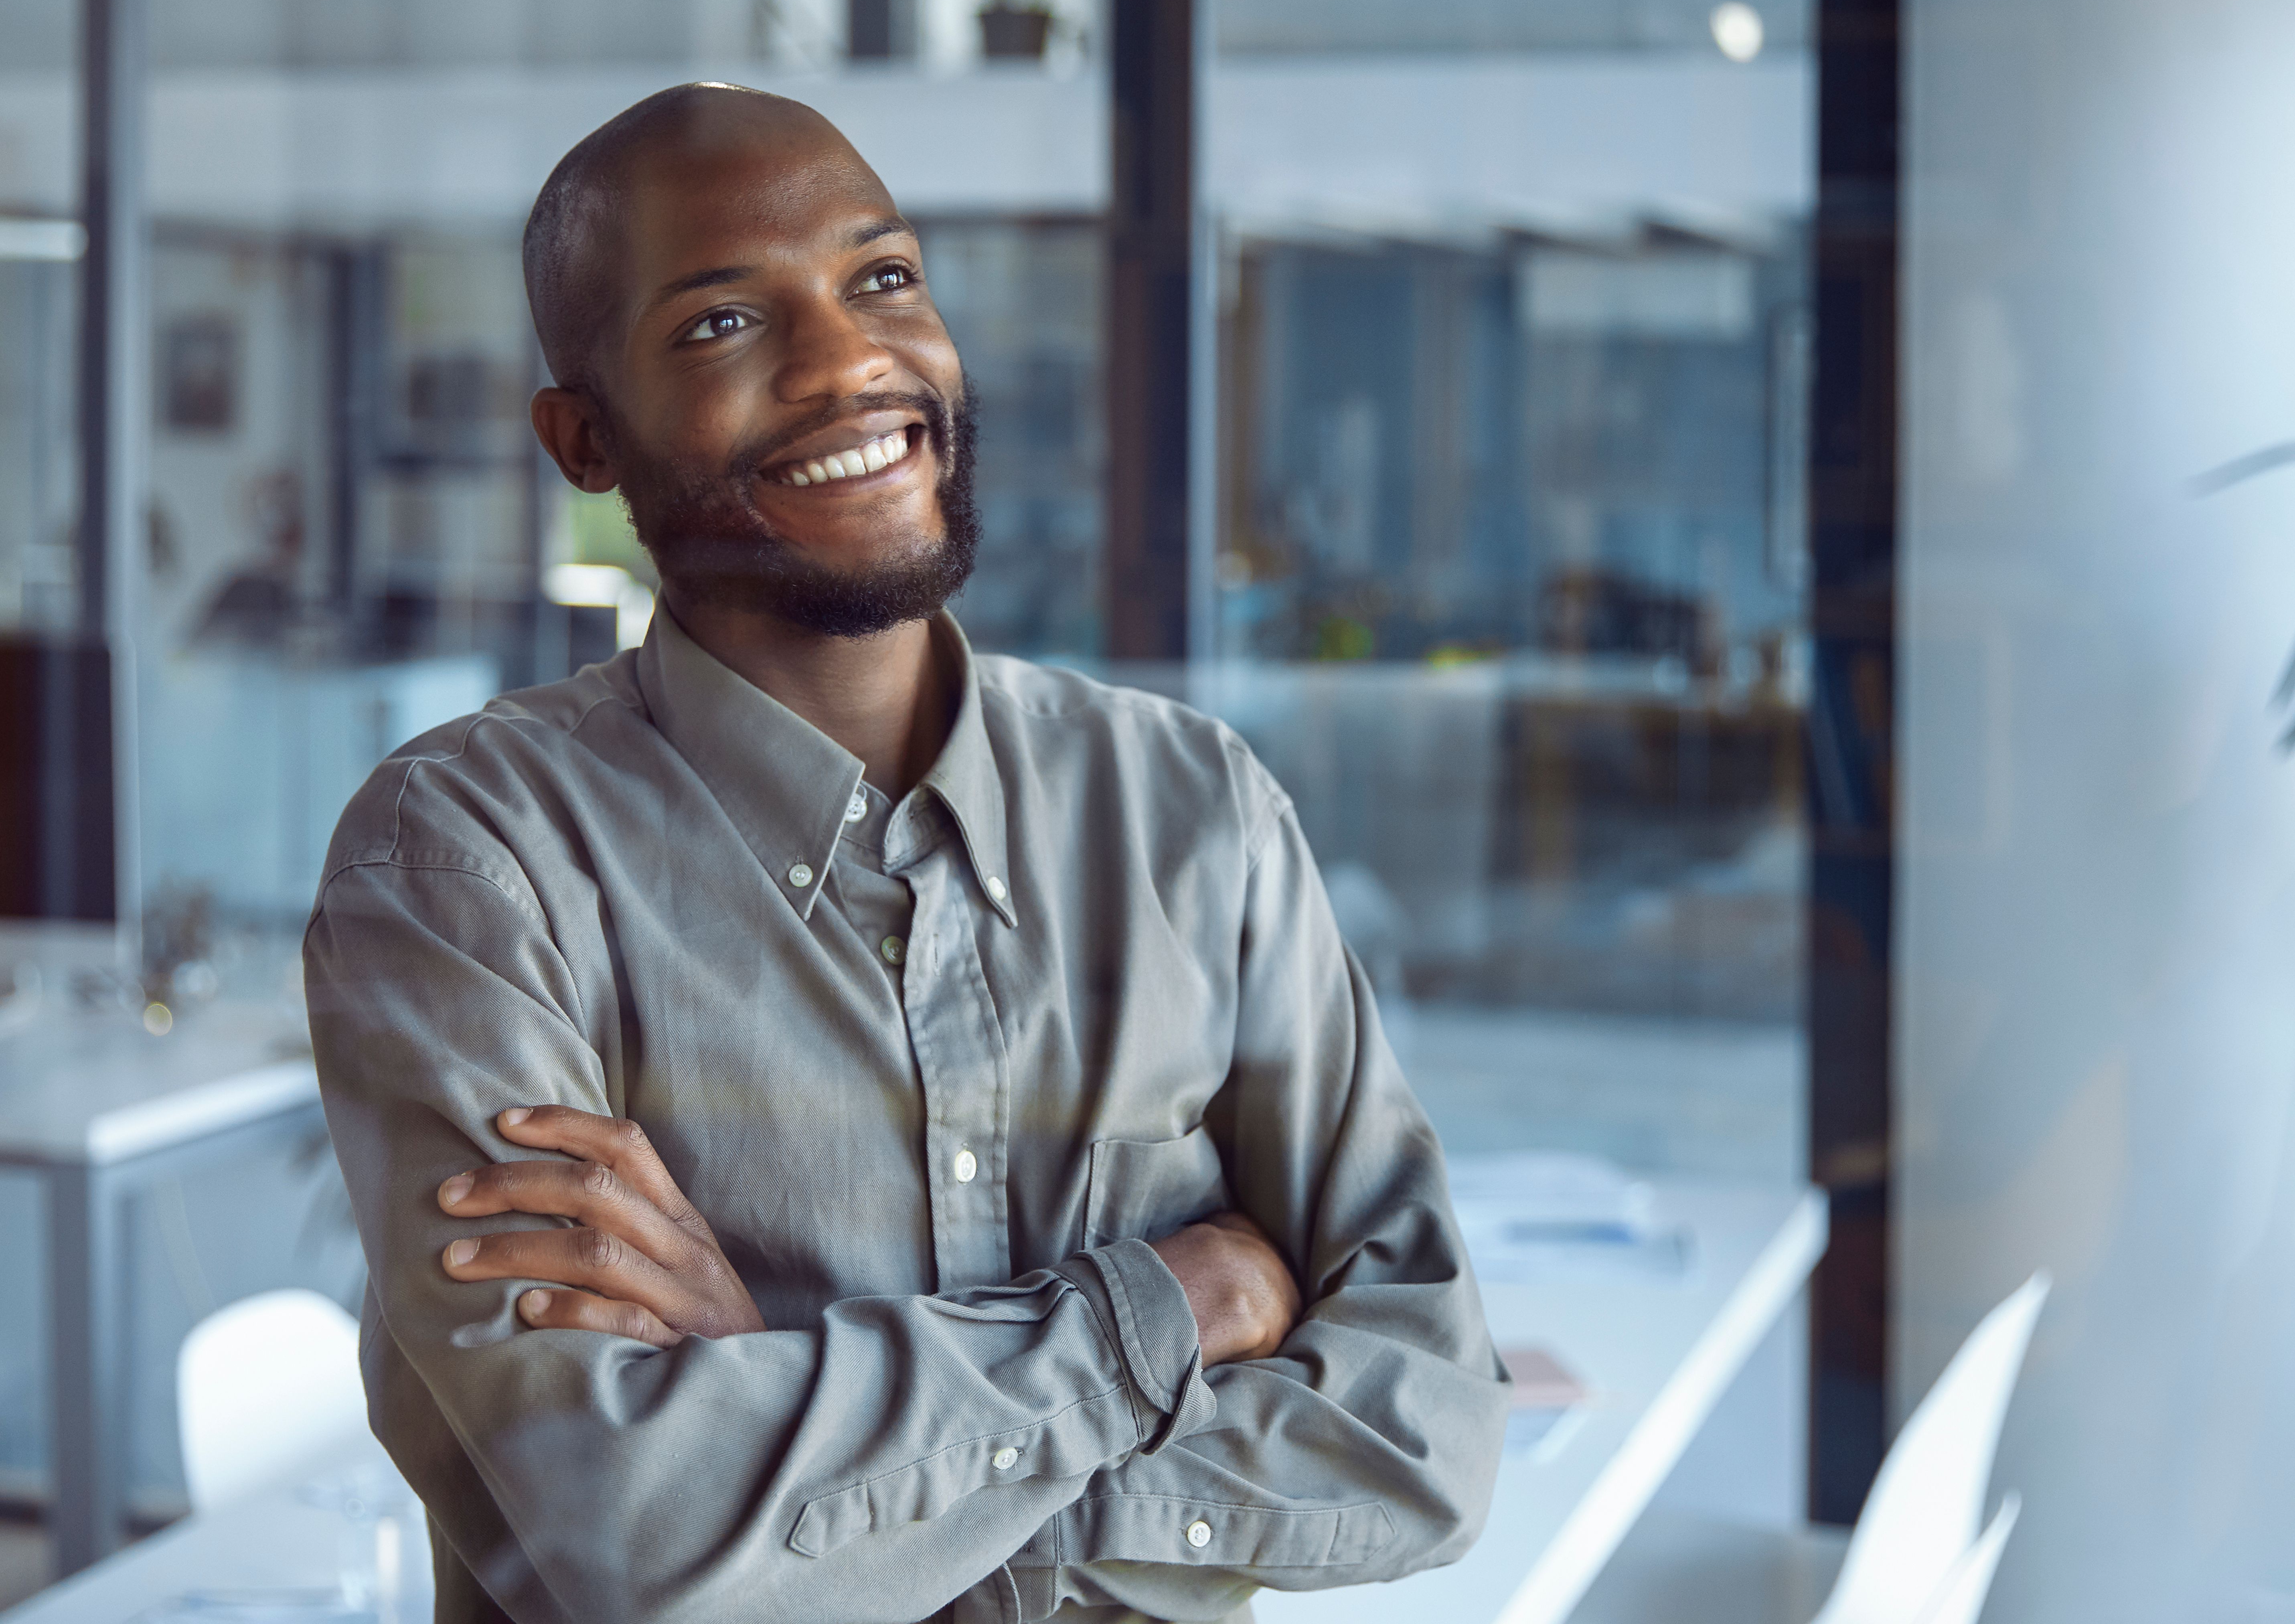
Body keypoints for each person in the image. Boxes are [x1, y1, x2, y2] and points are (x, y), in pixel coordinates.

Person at [304, 83, 1509, 1624]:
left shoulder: (1192, 810)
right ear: (585, 438)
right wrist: (1164, 1309)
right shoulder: (465, 868)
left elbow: (1430, 1436)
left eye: (882, 278)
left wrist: (809, 1453)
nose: (848, 361)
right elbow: (631, 1536)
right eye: (721, 323)